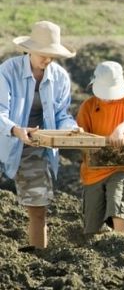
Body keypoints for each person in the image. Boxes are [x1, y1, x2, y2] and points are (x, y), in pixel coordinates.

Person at [0, 21, 78, 250]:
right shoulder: (7, 71)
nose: (48, 60)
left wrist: (70, 129)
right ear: (30, 50)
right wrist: (15, 129)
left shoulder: (60, 77)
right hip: (5, 136)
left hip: (33, 144)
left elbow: (61, 114)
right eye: (43, 54)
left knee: (38, 207)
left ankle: (38, 259)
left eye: (52, 56)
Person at [76, 61, 124, 235]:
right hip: (93, 171)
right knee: (91, 228)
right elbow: (80, 136)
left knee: (118, 209)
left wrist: (120, 130)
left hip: (121, 165)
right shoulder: (88, 106)